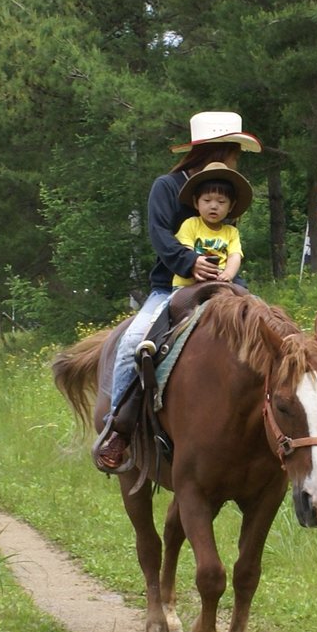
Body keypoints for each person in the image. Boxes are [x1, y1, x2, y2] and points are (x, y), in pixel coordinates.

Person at [94, 111, 262, 473]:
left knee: (270, 329)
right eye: (234, 151)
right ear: (219, 150)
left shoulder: (226, 190)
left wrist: (226, 276)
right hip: (171, 288)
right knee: (132, 344)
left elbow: (232, 245)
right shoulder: (167, 187)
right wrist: (190, 263)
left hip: (226, 285)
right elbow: (159, 236)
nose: (236, 159)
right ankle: (117, 429)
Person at [171, 162, 252, 288]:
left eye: (221, 201)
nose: (214, 206)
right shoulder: (190, 225)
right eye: (207, 200)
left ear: (231, 206)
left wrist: (228, 274)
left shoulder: (231, 232)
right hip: (189, 285)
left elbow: (234, 256)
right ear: (196, 202)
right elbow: (186, 250)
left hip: (221, 284)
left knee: (251, 303)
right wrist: (194, 265)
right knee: (178, 305)